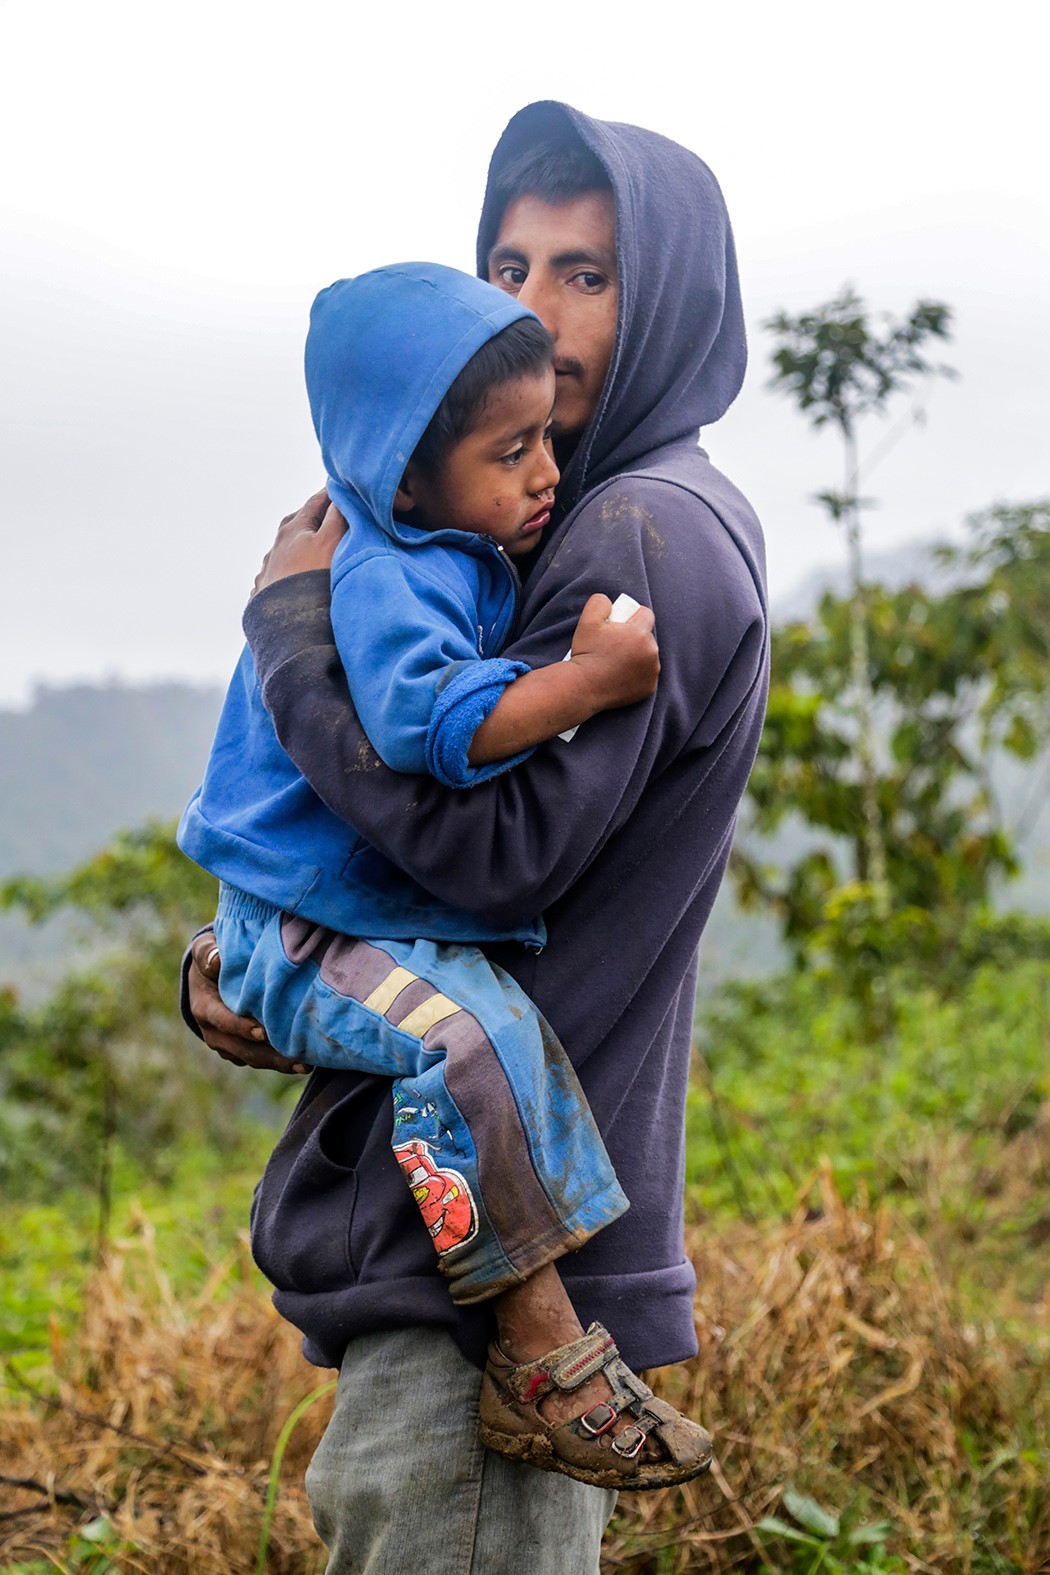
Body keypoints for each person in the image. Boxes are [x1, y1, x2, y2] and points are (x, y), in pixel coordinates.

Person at [184, 101, 769, 1573]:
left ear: (677, 295)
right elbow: (391, 848)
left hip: (488, 1265)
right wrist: (234, 956)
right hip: (462, 1223)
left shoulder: (633, 537)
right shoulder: (506, 535)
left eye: (586, 271)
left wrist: (293, 637)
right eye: (506, 264)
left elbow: (492, 858)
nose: (534, 312)